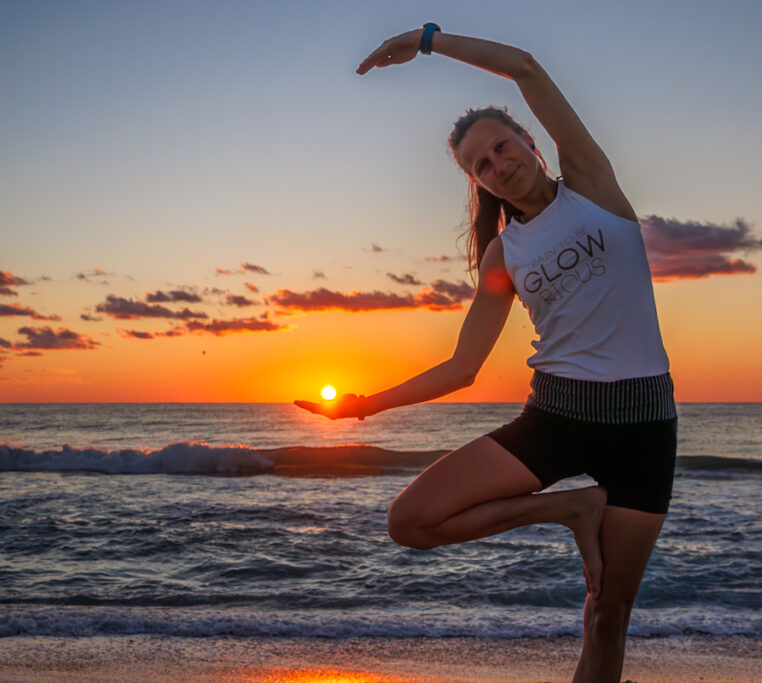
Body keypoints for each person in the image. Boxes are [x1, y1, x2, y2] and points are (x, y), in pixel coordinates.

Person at [294, 24, 678, 683]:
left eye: (502, 146)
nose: (498, 163)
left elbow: (526, 67)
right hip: (556, 419)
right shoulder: (505, 255)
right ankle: (567, 507)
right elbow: (462, 366)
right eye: (482, 165)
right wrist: (361, 407)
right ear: (481, 183)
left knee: (607, 611)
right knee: (409, 520)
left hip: (645, 427)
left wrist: (427, 40)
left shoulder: (591, 183)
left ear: (530, 141)